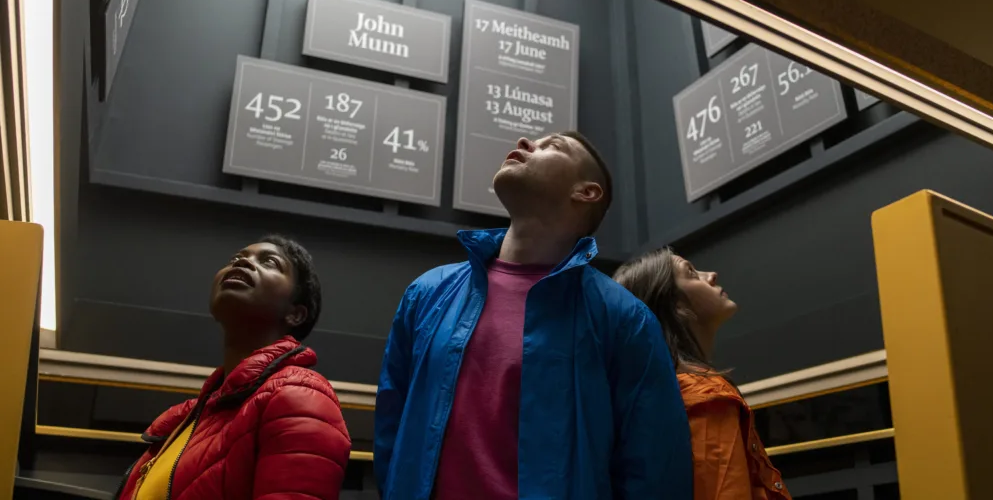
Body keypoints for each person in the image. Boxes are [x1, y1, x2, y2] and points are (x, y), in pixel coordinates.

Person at [375, 132, 692, 500]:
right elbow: (390, 434)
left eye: (552, 145)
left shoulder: (625, 319)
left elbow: (655, 469)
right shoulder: (426, 294)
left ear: (586, 192)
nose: (525, 141)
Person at [114, 235, 352, 500]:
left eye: (270, 262)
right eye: (236, 259)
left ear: (295, 313)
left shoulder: (299, 394)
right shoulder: (185, 419)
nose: (243, 263)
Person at [613, 248, 791, 500]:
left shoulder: (647, 397)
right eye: (692, 274)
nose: (712, 275)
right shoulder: (704, 397)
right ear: (674, 305)